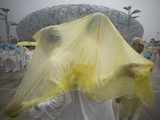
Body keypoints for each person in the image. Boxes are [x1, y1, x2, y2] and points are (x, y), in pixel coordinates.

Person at [5, 13, 154, 120]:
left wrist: (119, 75)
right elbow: (68, 94)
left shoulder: (79, 54)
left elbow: (83, 88)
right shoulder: (66, 59)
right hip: (85, 112)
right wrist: (26, 108)